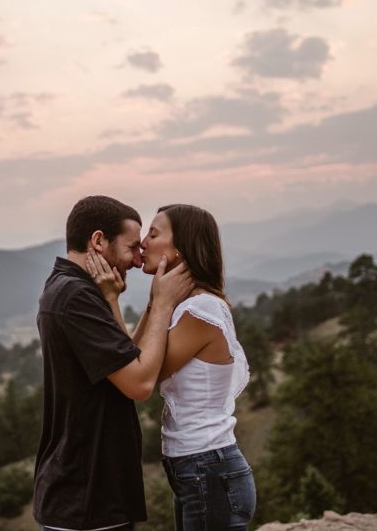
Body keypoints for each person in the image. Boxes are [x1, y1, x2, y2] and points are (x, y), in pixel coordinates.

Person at [86, 203, 256, 531]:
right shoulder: (184, 307)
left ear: (180, 248)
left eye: (153, 234)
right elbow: (132, 353)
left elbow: (138, 373)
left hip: (209, 468)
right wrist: (156, 302)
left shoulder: (200, 311)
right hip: (199, 469)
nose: (143, 243)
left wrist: (111, 301)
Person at [33, 195, 194, 531]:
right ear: (98, 241)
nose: (137, 259)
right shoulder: (75, 296)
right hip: (86, 495)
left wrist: (136, 302)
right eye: (131, 247)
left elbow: (127, 357)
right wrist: (163, 305)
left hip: (89, 492)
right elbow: (140, 383)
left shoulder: (73, 289)